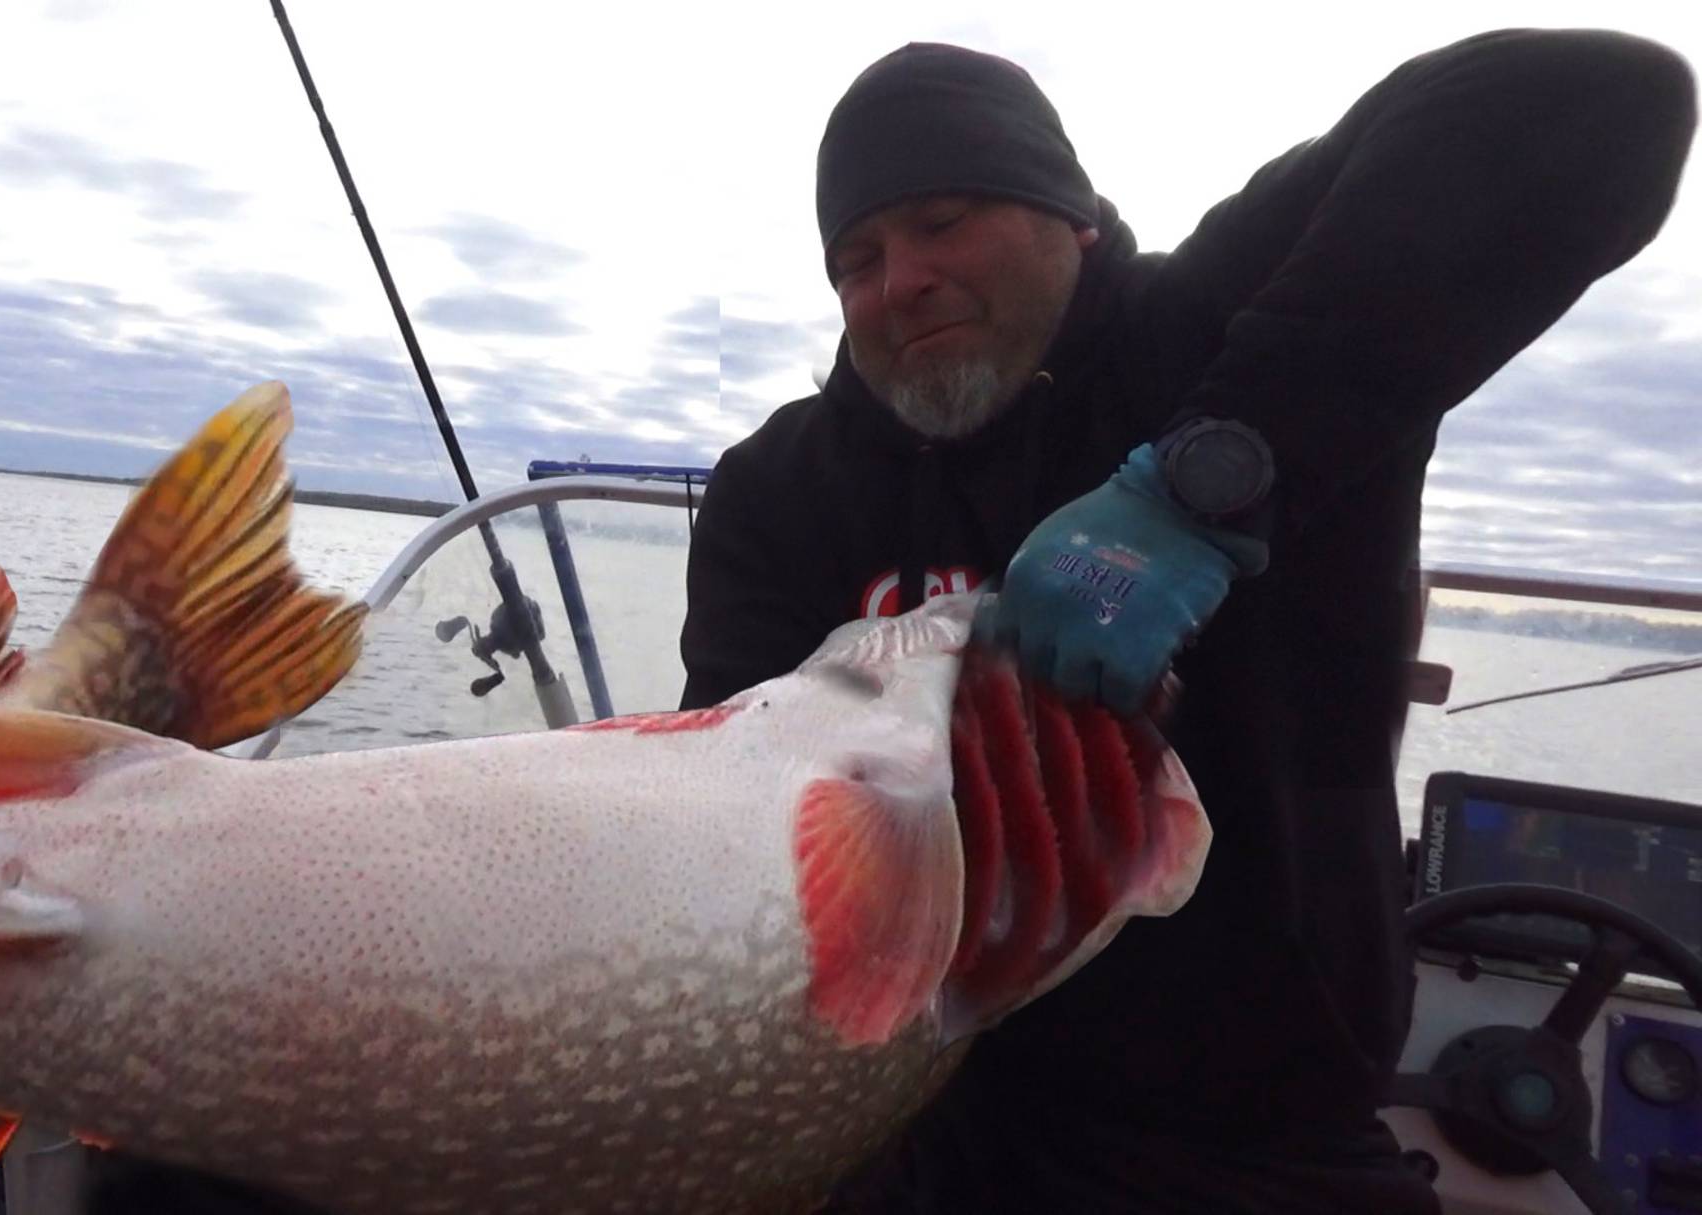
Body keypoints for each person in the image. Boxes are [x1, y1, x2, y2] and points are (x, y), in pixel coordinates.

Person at [679, 29, 1695, 1215]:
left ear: (1076, 222)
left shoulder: (1209, 327)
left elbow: (1602, 101)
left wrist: (1208, 484)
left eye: (945, 221)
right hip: (912, 1106)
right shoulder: (779, 488)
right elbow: (730, 809)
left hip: (1249, 1127)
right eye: (856, 258)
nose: (899, 278)